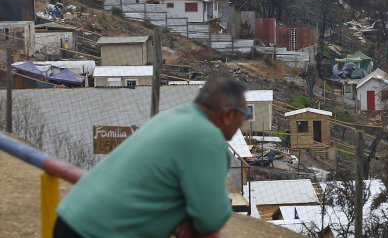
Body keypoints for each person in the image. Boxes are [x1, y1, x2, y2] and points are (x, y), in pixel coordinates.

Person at [54, 77, 249, 238]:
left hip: (70, 218)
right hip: (98, 233)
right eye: (245, 113)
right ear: (229, 115)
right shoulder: (208, 138)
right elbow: (211, 217)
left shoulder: (173, 116)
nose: (244, 121)